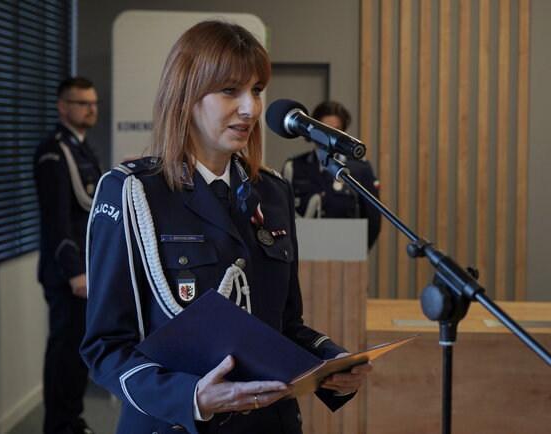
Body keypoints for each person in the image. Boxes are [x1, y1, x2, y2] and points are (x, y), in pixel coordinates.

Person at [81, 21, 372, 434]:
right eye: (230, 90)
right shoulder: (133, 193)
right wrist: (191, 397)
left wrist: (331, 362)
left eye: (257, 90)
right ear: (185, 95)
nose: (251, 108)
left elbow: (283, 325)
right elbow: (105, 347)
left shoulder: (272, 191)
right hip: (177, 424)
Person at [34, 76, 101, 434]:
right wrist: (75, 272)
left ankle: (71, 422)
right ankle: (59, 426)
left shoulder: (81, 148)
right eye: (82, 103)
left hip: (84, 268)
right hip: (67, 273)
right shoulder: (54, 151)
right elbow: (56, 219)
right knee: (64, 352)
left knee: (77, 352)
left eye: (93, 103)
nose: (91, 109)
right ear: (63, 107)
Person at [282, 101, 381, 250]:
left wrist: (358, 252)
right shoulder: (294, 167)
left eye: (335, 130)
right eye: (323, 129)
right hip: (303, 255)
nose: (327, 137)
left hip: (346, 254)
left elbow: (373, 221)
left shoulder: (360, 169)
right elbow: (282, 217)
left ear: (344, 133)